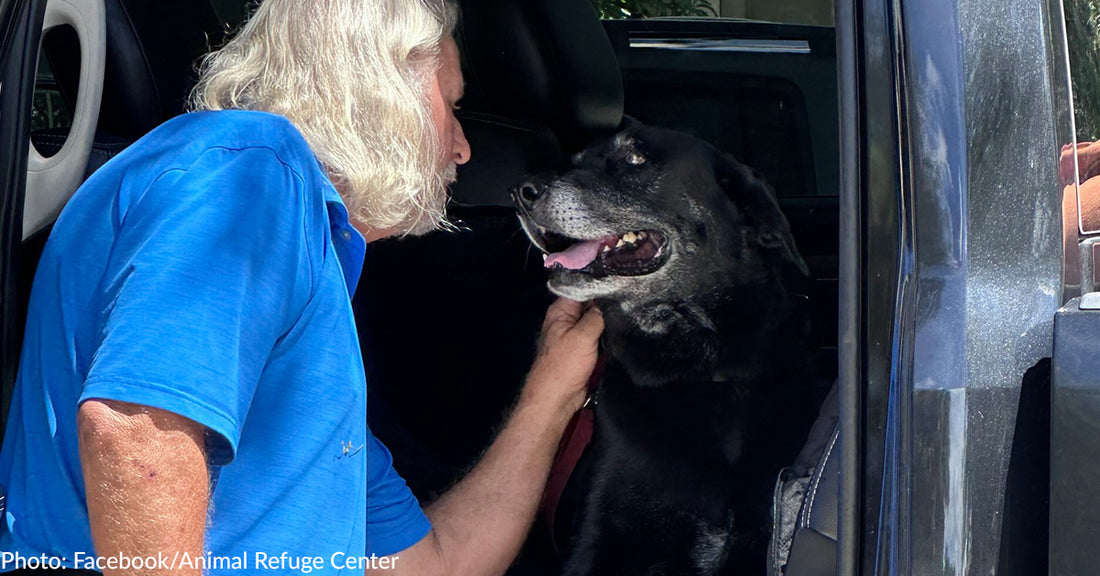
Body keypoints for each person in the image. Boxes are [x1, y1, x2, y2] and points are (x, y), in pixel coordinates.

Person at [0, 1, 603, 575]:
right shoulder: (248, 169)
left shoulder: (311, 294)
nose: (463, 148)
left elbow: (437, 564)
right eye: (450, 104)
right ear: (382, 89)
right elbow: (138, 435)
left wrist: (554, 387)